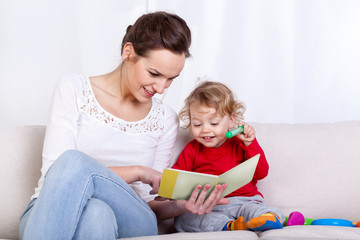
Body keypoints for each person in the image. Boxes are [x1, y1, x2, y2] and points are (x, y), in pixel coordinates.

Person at [19, 12, 228, 240]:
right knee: (95, 211)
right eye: (154, 73)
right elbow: (57, 175)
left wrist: (181, 205)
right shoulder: (73, 89)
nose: (161, 88)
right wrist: (138, 172)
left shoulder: (165, 118)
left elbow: (150, 203)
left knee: (75, 166)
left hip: (133, 217)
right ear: (128, 52)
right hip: (49, 211)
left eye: (170, 79)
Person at [172, 81, 285, 232]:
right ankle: (232, 226)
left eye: (214, 123)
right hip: (210, 207)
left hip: (245, 201)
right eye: (197, 124)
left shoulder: (241, 143)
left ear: (231, 121)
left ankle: (268, 218)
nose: (205, 130)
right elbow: (177, 180)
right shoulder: (192, 149)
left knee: (260, 211)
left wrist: (250, 144)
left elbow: (262, 172)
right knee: (183, 219)